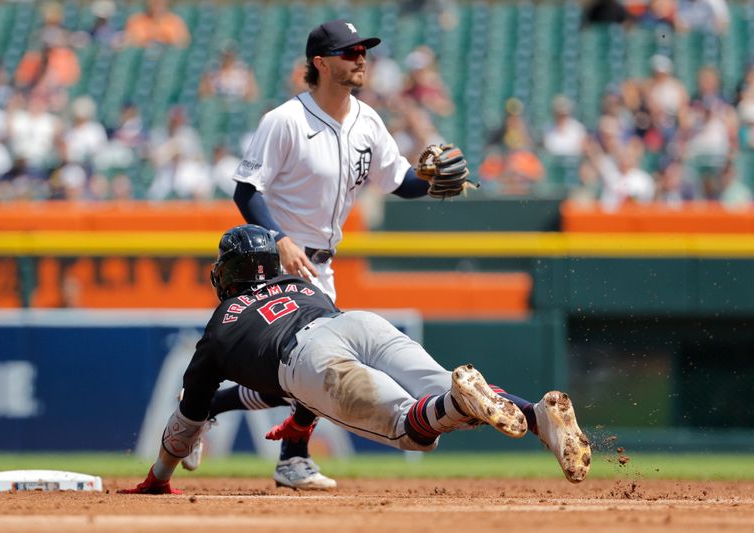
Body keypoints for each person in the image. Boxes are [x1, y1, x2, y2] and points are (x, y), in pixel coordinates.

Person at [179, 19, 472, 490]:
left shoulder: (368, 121)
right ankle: (281, 452)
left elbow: (398, 182)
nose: (360, 59)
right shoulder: (285, 120)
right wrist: (279, 238)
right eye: (349, 52)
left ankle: (226, 419)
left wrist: (432, 180)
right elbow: (246, 190)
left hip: (322, 265)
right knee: (299, 373)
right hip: (274, 267)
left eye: (363, 52)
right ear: (320, 62)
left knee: (297, 378)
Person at [119, 224, 592, 495]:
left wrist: (159, 475)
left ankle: (456, 402)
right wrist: (265, 411)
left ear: (227, 273)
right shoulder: (299, 283)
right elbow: (279, 389)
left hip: (306, 359)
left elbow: (185, 422)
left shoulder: (221, 328)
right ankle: (535, 417)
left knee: (414, 429)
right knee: (446, 388)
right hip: (354, 323)